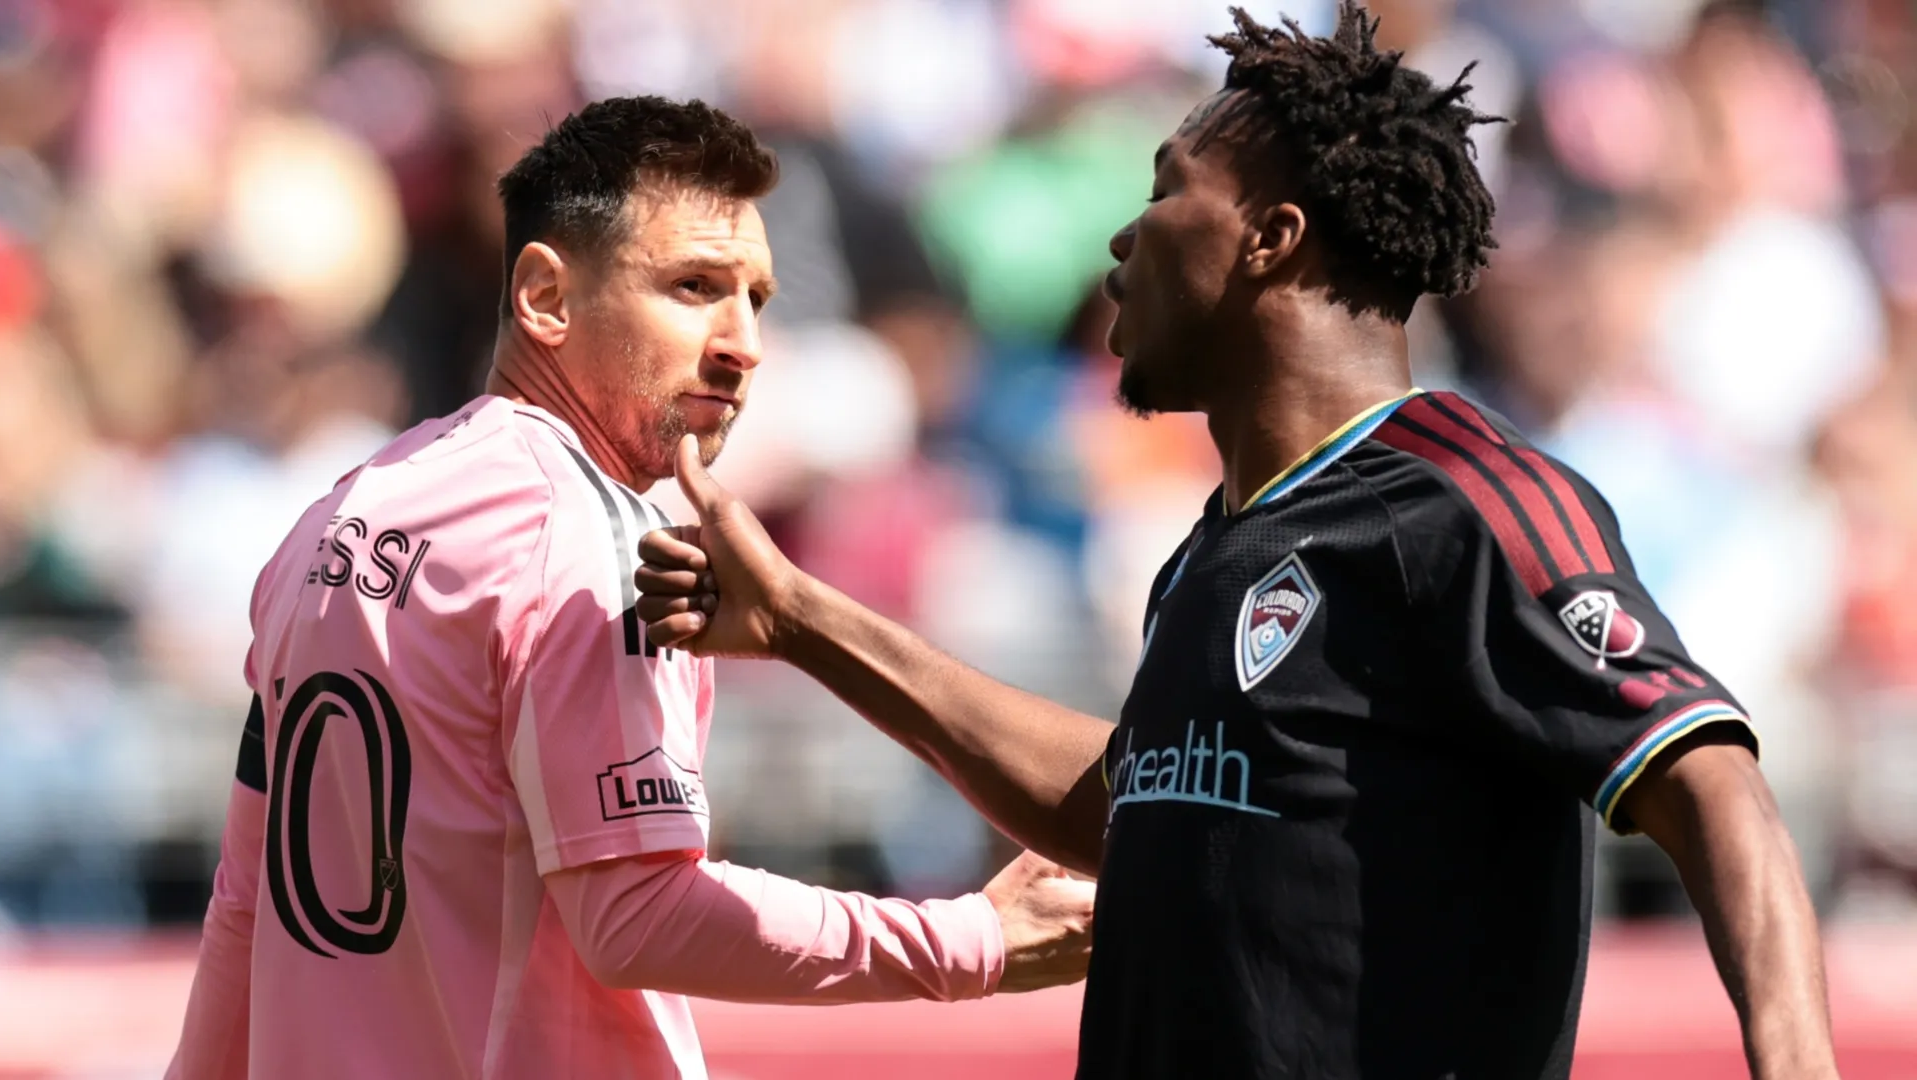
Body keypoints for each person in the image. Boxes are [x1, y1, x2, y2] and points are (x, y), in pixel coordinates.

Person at [633, 8, 1839, 1080]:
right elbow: (1133, 799)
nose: (1124, 236)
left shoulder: (1466, 502)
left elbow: (1716, 788)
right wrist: (801, 621)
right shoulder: (1217, 549)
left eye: (1166, 188)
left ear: (1271, 238)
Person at [164, 96, 1095, 1080]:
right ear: (546, 298)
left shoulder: (337, 517)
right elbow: (635, 915)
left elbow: (245, 904)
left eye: (758, 298)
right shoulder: (591, 534)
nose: (745, 343)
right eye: (695, 285)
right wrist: (971, 940)